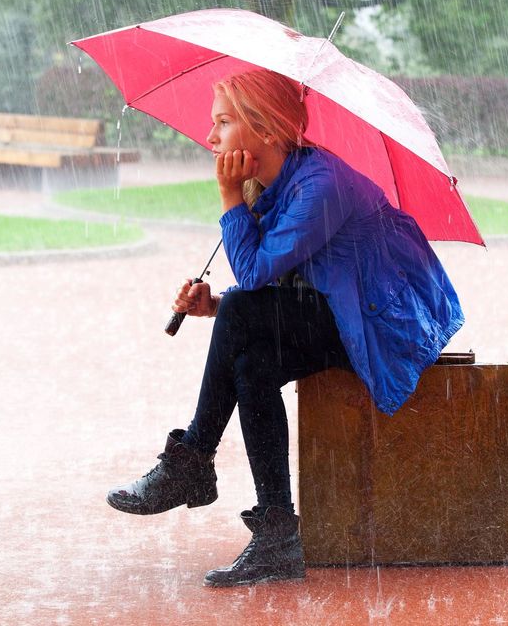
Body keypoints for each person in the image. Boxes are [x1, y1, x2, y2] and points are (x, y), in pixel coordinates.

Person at [106, 69, 463, 587]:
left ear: (267, 130)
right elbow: (281, 285)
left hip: (380, 326)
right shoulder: (282, 185)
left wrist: (230, 197)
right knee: (253, 365)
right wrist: (216, 305)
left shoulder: (322, 186)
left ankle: (192, 460)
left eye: (223, 123)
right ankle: (277, 536)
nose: (210, 138)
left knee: (243, 314)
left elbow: (255, 276)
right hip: (341, 312)